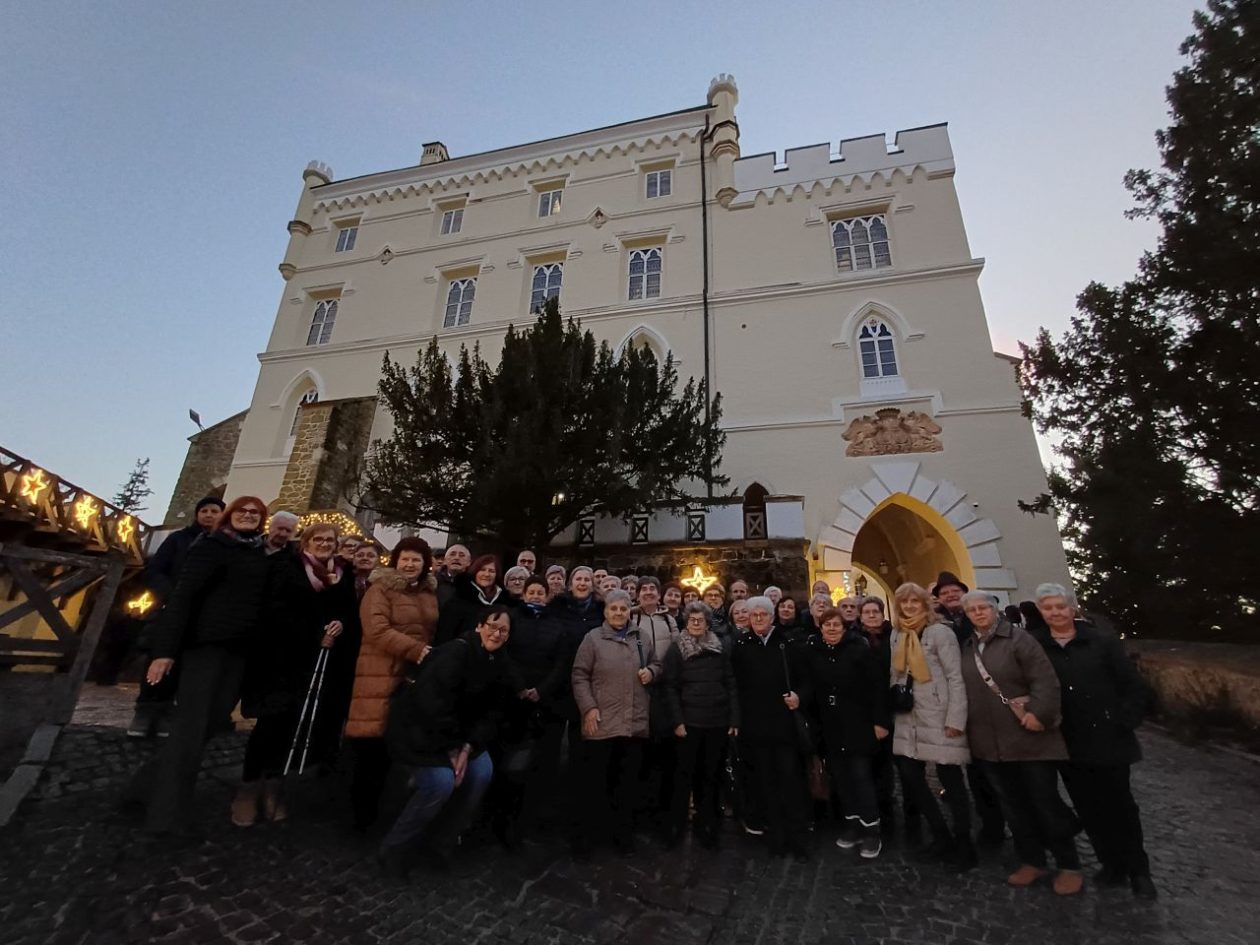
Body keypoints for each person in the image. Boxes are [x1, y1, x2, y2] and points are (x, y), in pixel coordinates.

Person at [125, 496, 271, 840]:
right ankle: (165, 820)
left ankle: (139, 790)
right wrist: (165, 651)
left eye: (255, 513)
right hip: (205, 649)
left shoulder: (257, 552)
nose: (248, 516)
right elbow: (183, 598)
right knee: (190, 730)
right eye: (242, 511)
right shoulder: (211, 546)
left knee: (208, 726)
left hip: (237, 652)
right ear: (229, 516)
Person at [1029, 584, 1156, 899]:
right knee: (1088, 808)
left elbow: (1135, 688)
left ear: (1072, 609)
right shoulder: (1037, 646)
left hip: (1109, 739)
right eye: (1048, 608)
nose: (1055, 612)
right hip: (1068, 741)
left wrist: (1123, 721)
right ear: (1041, 612)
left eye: (1061, 606)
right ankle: (1110, 864)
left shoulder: (1102, 643)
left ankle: (1139, 871)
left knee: (1121, 807)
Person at [378, 606, 519, 878]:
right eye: (492, 626)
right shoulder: (457, 652)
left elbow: (492, 713)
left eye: (504, 630)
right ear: (479, 626)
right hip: (420, 734)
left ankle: (443, 842)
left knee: (482, 772)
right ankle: (395, 846)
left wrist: (468, 747)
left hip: (460, 739)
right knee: (440, 783)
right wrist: (454, 749)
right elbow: (431, 705)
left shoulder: (500, 662)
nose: (497, 633)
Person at [958, 590, 1082, 896]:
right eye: (972, 610)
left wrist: (1038, 713)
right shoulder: (969, 645)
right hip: (990, 742)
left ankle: (1069, 864)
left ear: (995, 610)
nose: (978, 613)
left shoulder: (1019, 640)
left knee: (1045, 801)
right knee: (1013, 806)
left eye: (983, 607)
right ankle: (1032, 859)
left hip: (1028, 737)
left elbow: (1044, 679)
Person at [234, 522, 359, 825]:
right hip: (282, 660)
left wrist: (339, 624)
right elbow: (275, 610)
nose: (325, 543)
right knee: (269, 725)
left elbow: (347, 611)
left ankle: (275, 787)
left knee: (293, 727)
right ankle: (249, 788)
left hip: (317, 664)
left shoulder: (342, 575)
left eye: (330, 540)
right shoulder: (287, 567)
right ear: (305, 542)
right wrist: (315, 632)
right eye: (319, 539)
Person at [345, 537, 438, 831]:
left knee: (394, 748)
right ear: (395, 560)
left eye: (416, 560)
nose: (410, 565)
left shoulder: (428, 593)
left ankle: (384, 814)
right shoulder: (380, 588)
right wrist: (417, 650)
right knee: (370, 748)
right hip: (379, 671)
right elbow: (376, 630)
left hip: (410, 677)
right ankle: (360, 819)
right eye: (405, 559)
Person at [888, 582, 975, 871]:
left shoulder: (941, 633)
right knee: (910, 774)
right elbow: (896, 673)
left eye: (915, 601)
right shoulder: (898, 633)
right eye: (904, 602)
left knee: (950, 778)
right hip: (908, 714)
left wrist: (955, 718)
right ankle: (940, 834)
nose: (909, 606)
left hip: (938, 713)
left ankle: (964, 843)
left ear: (926, 604)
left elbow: (955, 677)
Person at [127, 495, 225, 739]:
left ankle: (167, 711)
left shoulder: (223, 544)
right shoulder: (178, 539)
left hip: (201, 613)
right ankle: (145, 710)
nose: (209, 515)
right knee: (159, 658)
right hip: (170, 608)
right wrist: (171, 594)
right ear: (197, 514)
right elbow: (156, 569)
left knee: (183, 663)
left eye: (215, 511)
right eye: (205, 510)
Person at [570, 589, 658, 857]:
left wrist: (652, 672)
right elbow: (580, 675)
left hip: (633, 722)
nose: (619, 613)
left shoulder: (641, 638)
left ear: (629, 610)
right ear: (606, 612)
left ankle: (622, 836)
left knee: (627, 784)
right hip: (603, 722)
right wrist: (588, 707)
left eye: (623, 609)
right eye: (613, 609)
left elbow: (656, 664)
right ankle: (590, 837)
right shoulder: (593, 639)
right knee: (596, 784)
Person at [804, 607, 890, 858]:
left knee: (861, 777)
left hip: (858, 723)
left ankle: (871, 829)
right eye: (827, 625)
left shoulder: (859, 650)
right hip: (831, 726)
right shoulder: (815, 652)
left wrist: (880, 721)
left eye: (836, 625)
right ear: (820, 628)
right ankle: (852, 824)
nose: (831, 629)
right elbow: (812, 686)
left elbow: (877, 687)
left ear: (844, 627)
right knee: (842, 779)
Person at [732, 595, 811, 861]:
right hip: (756, 728)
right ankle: (775, 836)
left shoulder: (787, 644)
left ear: (771, 617)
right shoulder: (741, 645)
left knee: (791, 782)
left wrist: (799, 696)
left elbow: (807, 681)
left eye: (762, 615)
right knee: (766, 784)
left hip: (785, 727)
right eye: (753, 616)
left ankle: (798, 837)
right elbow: (737, 686)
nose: (757, 620)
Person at [495, 576, 566, 845]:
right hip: (514, 698)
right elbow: (505, 652)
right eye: (531, 591)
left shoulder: (555, 624)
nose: (536, 595)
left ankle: (530, 820)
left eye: (540, 592)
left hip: (543, 700)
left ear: (547, 596)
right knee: (510, 762)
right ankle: (503, 820)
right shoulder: (512, 618)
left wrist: (542, 689)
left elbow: (561, 662)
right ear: (524, 595)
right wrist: (520, 686)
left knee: (539, 763)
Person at [663, 601, 739, 849]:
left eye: (701, 620)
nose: (697, 624)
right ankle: (676, 826)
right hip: (689, 723)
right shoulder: (676, 650)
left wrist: (733, 718)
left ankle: (708, 826)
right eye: (692, 620)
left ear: (708, 623)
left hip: (716, 721)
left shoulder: (719, 648)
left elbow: (730, 683)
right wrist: (677, 720)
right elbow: (671, 687)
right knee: (683, 777)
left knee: (711, 777)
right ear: (687, 622)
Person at [858, 598, 904, 836]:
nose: (872, 615)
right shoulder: (857, 639)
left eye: (875, 611)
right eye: (867, 612)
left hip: (895, 708)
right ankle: (878, 814)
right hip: (867, 711)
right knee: (875, 766)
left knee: (900, 767)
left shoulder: (894, 637)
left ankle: (902, 814)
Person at [436, 554, 503, 646]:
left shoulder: (503, 603)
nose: (486, 574)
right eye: (482, 570)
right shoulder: (459, 599)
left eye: (491, 571)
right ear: (475, 572)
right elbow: (444, 635)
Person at [435, 543, 470, 607]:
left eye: (461, 555)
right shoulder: (435, 582)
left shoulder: (474, 584)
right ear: (445, 561)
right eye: (452, 554)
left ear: (469, 562)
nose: (456, 558)